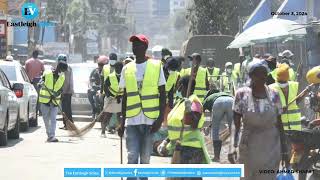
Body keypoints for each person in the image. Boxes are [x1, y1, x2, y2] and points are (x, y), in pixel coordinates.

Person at [118, 34, 166, 178]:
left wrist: (159, 120)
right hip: (132, 121)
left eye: (138, 44)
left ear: (145, 47)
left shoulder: (156, 66)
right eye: (133, 44)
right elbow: (125, 97)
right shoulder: (127, 69)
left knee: (145, 160)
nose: (135, 47)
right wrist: (121, 121)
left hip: (150, 121)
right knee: (132, 157)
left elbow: (162, 95)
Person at [233, 61, 289, 179]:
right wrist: (233, 147)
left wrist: (284, 150)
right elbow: (236, 125)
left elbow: (279, 123)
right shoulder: (241, 95)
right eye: (258, 74)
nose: (262, 77)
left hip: (271, 148)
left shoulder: (274, 94)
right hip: (248, 147)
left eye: (264, 74)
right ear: (251, 76)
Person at [167, 75, 211, 167]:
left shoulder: (194, 102)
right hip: (180, 146)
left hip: (191, 148)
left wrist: (188, 110)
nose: (177, 88)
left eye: (178, 85)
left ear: (182, 86)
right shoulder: (181, 102)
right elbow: (176, 125)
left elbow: (194, 124)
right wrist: (166, 141)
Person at [269, 63, 303, 167]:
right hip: (294, 124)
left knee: (284, 147)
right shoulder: (295, 85)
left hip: (281, 124)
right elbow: (298, 101)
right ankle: (292, 166)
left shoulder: (271, 87)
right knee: (294, 147)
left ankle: (287, 166)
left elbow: (270, 106)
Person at [38, 56, 68, 142]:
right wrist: (40, 83)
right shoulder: (47, 73)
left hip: (55, 102)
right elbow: (41, 81)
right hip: (45, 101)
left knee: (53, 119)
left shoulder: (62, 76)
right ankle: (49, 134)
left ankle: (52, 135)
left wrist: (56, 94)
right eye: (61, 71)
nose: (62, 72)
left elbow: (61, 88)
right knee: (46, 120)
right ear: (58, 68)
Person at [202, 91, 233, 162]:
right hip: (232, 101)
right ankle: (235, 155)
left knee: (215, 130)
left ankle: (216, 157)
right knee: (233, 130)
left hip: (218, 103)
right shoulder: (224, 94)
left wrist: (204, 128)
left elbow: (203, 114)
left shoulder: (207, 99)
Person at [100, 61, 123, 137]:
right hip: (110, 98)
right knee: (107, 115)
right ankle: (103, 132)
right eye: (117, 68)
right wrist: (109, 96)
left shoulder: (124, 77)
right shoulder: (110, 76)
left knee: (120, 116)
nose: (118, 69)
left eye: (120, 68)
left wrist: (120, 97)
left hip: (119, 98)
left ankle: (121, 132)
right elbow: (105, 87)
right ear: (114, 68)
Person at [58, 54, 74, 130]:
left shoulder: (67, 68)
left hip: (66, 92)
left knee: (66, 109)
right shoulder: (62, 68)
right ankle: (67, 124)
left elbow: (70, 81)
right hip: (64, 92)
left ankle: (69, 124)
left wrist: (68, 91)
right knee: (65, 109)